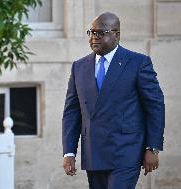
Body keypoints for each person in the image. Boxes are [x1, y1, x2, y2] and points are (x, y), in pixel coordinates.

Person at [62, 12, 165, 189]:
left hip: (126, 152)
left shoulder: (137, 63)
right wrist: (69, 152)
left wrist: (152, 147)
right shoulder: (79, 67)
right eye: (91, 32)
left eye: (100, 32)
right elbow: (72, 112)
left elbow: (155, 106)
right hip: (94, 152)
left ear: (116, 34)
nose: (94, 37)